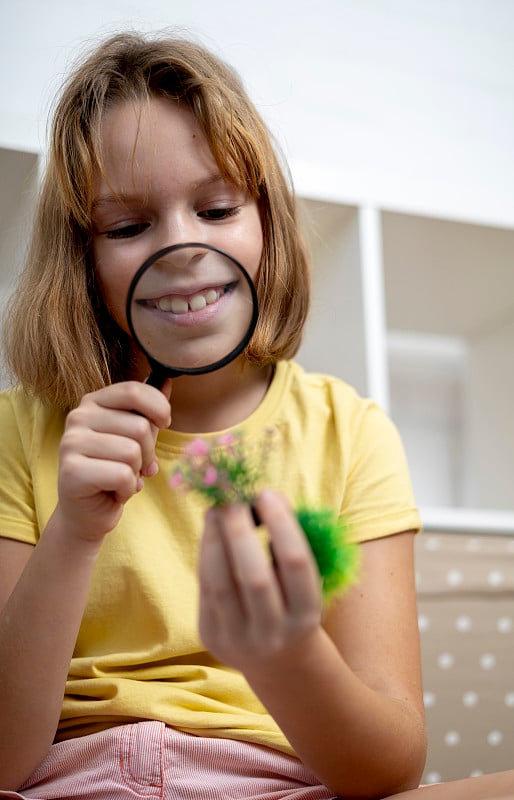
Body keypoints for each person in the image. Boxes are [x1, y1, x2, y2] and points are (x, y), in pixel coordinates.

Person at [0, 29, 469, 800]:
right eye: (127, 227)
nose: (182, 245)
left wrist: (286, 656)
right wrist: (74, 533)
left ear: (266, 224)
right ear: (81, 261)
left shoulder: (349, 434)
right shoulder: (20, 433)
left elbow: (390, 767)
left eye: (216, 207)